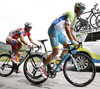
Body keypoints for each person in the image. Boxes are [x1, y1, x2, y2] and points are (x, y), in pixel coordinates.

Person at [40, 2, 86, 78]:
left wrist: (76, 41)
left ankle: (59, 61)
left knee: (67, 46)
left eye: (83, 10)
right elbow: (67, 27)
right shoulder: (71, 13)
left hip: (59, 32)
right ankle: (43, 67)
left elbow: (72, 30)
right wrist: (73, 41)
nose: (82, 12)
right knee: (56, 51)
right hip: (53, 30)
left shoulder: (75, 18)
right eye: (81, 9)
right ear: (76, 8)